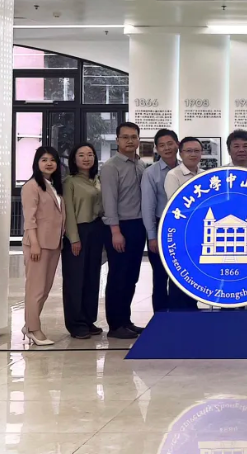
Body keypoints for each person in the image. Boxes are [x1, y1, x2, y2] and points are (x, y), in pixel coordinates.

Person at [100, 121, 147, 339]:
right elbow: (109, 201)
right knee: (118, 276)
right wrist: (115, 231)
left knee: (131, 276)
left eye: (134, 137)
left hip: (138, 225)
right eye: (125, 137)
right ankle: (115, 325)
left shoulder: (140, 164)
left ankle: (125, 321)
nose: (130, 141)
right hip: (120, 227)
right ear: (117, 140)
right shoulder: (111, 167)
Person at [20, 146, 66, 346]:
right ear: (36, 163)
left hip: (53, 244)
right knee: (35, 289)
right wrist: (35, 244)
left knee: (44, 289)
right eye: (44, 160)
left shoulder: (53, 186)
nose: (49, 163)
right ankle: (33, 329)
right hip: (38, 244)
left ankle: (29, 325)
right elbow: (29, 219)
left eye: (52, 160)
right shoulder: (31, 186)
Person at [61, 144, 106, 339]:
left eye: (90, 155)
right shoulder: (69, 182)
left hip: (96, 230)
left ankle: (88, 319)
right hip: (78, 230)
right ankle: (75, 323)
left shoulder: (97, 180)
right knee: (75, 279)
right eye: (81, 155)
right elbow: (69, 212)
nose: (86, 158)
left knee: (92, 277)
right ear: (74, 159)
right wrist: (74, 238)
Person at [162, 137, 203, 311]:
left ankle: (192, 312)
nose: (193, 154)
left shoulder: (205, 175)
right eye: (188, 151)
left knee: (194, 276)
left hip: (200, 234)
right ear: (181, 153)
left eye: (197, 151)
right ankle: (178, 316)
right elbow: (176, 207)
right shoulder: (173, 175)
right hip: (181, 235)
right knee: (180, 276)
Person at [141, 129, 180, 313]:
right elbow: (148, 206)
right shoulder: (151, 173)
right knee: (160, 276)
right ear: (156, 149)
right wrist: (152, 236)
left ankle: (180, 314)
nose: (167, 148)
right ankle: (161, 318)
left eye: (170, 143)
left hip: (183, 228)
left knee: (180, 275)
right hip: (161, 226)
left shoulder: (185, 169)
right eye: (162, 145)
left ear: (177, 144)